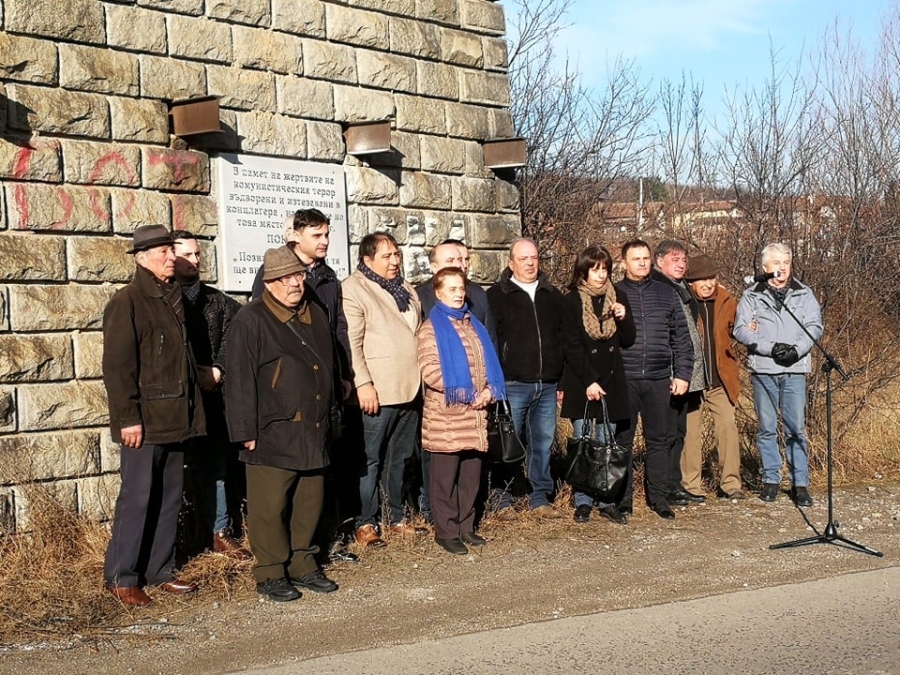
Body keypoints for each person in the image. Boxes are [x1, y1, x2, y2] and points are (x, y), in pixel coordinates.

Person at [224, 246, 339, 602]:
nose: (294, 284)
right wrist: (244, 432)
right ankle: (271, 572)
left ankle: (303, 563)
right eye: (285, 278)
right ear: (269, 282)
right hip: (271, 429)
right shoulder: (250, 320)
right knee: (269, 506)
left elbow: (329, 363)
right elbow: (239, 380)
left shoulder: (314, 313)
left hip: (314, 426)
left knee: (310, 499)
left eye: (298, 276)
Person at [101, 224, 205, 607]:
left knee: (170, 498)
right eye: (162, 252)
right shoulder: (127, 302)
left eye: (170, 250)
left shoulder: (174, 298)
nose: (170, 258)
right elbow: (117, 367)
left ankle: (160, 571)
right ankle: (122, 577)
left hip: (177, 415)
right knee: (138, 498)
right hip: (144, 422)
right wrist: (127, 417)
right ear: (142, 259)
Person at [252, 209, 356, 563]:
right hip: (287, 401)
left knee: (322, 474)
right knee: (283, 490)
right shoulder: (274, 273)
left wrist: (344, 374)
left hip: (324, 387)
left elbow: (336, 329)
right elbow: (264, 333)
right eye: (317, 236)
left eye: (327, 235)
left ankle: (318, 547)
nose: (325, 241)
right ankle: (277, 561)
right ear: (295, 237)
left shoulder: (327, 277)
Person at [342, 232, 424, 547]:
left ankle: (395, 515)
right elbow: (352, 343)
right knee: (369, 460)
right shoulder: (354, 289)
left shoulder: (406, 289)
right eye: (386, 256)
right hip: (376, 389)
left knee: (400, 458)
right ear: (367, 260)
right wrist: (362, 383)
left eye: (396, 254)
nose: (394, 261)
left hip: (409, 387)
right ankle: (365, 522)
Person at [172, 231, 250, 560]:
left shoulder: (219, 302)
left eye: (198, 254)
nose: (196, 260)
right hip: (175, 401)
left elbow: (236, 337)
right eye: (187, 255)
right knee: (175, 472)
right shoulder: (163, 300)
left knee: (216, 469)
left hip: (213, 400)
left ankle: (219, 531)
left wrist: (218, 369)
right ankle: (181, 539)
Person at [417, 267, 505, 554]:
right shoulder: (431, 328)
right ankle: (446, 531)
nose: (458, 294)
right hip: (447, 415)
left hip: (477, 414)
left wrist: (490, 391)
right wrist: (469, 394)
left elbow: (487, 365)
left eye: (461, 288)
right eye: (451, 289)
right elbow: (430, 372)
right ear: (438, 293)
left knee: (471, 477)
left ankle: (467, 527)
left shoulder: (473, 325)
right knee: (444, 480)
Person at [733, 243, 822, 507]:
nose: (782, 268)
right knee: (767, 428)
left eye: (786, 262)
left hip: (794, 369)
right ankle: (771, 479)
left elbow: (814, 326)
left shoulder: (804, 294)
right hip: (764, 368)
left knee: (795, 428)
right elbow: (741, 330)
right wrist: (770, 348)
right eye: (776, 263)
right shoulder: (752, 295)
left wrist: (797, 350)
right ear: (765, 268)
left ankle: (800, 483)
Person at [486, 237, 567, 517]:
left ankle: (540, 498)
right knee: (508, 442)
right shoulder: (496, 296)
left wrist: (562, 380)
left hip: (547, 383)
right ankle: (502, 497)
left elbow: (563, 338)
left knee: (543, 443)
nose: (530, 263)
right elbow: (491, 340)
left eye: (534, 257)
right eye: (524, 258)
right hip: (513, 382)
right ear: (511, 263)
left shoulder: (552, 295)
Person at [615, 240, 693, 520]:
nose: (642, 263)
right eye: (636, 259)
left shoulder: (666, 292)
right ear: (624, 262)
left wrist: (683, 374)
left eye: (646, 258)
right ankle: (622, 499)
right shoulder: (615, 293)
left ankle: (659, 497)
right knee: (622, 441)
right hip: (625, 378)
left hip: (660, 378)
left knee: (659, 440)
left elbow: (682, 339)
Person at [559, 245, 636, 524]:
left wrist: (623, 318)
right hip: (583, 382)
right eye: (595, 269)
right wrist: (589, 380)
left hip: (612, 381)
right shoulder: (571, 301)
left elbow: (628, 340)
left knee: (607, 442)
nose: (601, 275)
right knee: (584, 443)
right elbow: (572, 346)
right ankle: (582, 501)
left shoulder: (618, 297)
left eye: (604, 269)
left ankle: (606, 499)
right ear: (584, 271)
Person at [682, 254, 747, 500]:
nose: (708, 283)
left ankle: (730, 485)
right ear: (691, 282)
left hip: (720, 379)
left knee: (728, 427)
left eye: (712, 277)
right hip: (692, 381)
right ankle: (691, 486)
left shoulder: (728, 300)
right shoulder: (684, 302)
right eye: (702, 279)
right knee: (691, 433)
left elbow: (739, 330)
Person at [651, 240, 707, 505]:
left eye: (684, 260)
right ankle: (663, 488)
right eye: (675, 259)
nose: (682, 264)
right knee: (666, 433)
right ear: (659, 261)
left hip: (685, 373)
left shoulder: (682, 288)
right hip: (667, 372)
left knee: (679, 432)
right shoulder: (658, 288)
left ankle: (675, 484)